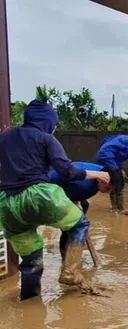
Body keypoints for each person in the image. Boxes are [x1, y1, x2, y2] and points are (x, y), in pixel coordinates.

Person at [0, 100, 110, 300]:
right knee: (80, 224)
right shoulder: (46, 139)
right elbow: (67, 171)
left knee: (31, 261)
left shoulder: (4, 138)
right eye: (54, 123)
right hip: (38, 195)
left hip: (6, 203)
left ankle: (30, 307)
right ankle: (70, 271)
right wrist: (96, 175)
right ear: (48, 121)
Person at [48, 162, 112, 261]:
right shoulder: (85, 187)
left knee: (85, 205)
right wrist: (75, 205)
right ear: (100, 180)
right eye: (108, 188)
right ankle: (68, 260)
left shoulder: (102, 170)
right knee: (71, 227)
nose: (108, 192)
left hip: (65, 181)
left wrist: (77, 201)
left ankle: (72, 245)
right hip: (48, 187)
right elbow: (67, 195)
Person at [94, 129, 128, 215]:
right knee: (120, 183)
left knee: (114, 181)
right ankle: (121, 208)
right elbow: (121, 158)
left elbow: (106, 140)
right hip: (108, 159)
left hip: (101, 156)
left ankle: (114, 208)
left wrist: (119, 169)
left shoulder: (123, 137)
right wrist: (119, 169)